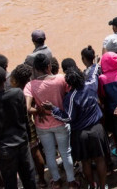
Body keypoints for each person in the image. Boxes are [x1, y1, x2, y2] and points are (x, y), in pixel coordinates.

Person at [46, 67, 108, 189]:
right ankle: (102, 186)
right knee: (100, 160)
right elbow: (94, 71)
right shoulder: (91, 85)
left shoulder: (70, 97)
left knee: (86, 162)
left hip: (81, 134)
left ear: (69, 84)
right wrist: (95, 65)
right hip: (97, 129)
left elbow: (68, 118)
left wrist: (53, 108)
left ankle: (91, 185)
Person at [0, 66, 36, 189]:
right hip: (22, 143)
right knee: (29, 179)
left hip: (4, 150)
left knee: (10, 183)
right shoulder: (18, 93)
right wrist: (28, 140)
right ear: (6, 79)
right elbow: (25, 119)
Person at [24, 54, 76, 189]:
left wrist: (39, 111)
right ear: (48, 67)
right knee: (66, 152)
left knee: (49, 154)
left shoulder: (30, 85)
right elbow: (70, 95)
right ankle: (71, 182)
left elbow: (27, 108)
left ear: (35, 68)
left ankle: (57, 181)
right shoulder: (61, 79)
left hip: (42, 125)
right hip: (61, 121)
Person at [9, 64, 47, 189]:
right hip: (30, 125)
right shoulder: (31, 88)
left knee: (24, 156)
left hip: (15, 128)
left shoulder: (12, 92)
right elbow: (36, 105)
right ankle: (42, 180)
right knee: (36, 152)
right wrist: (38, 111)